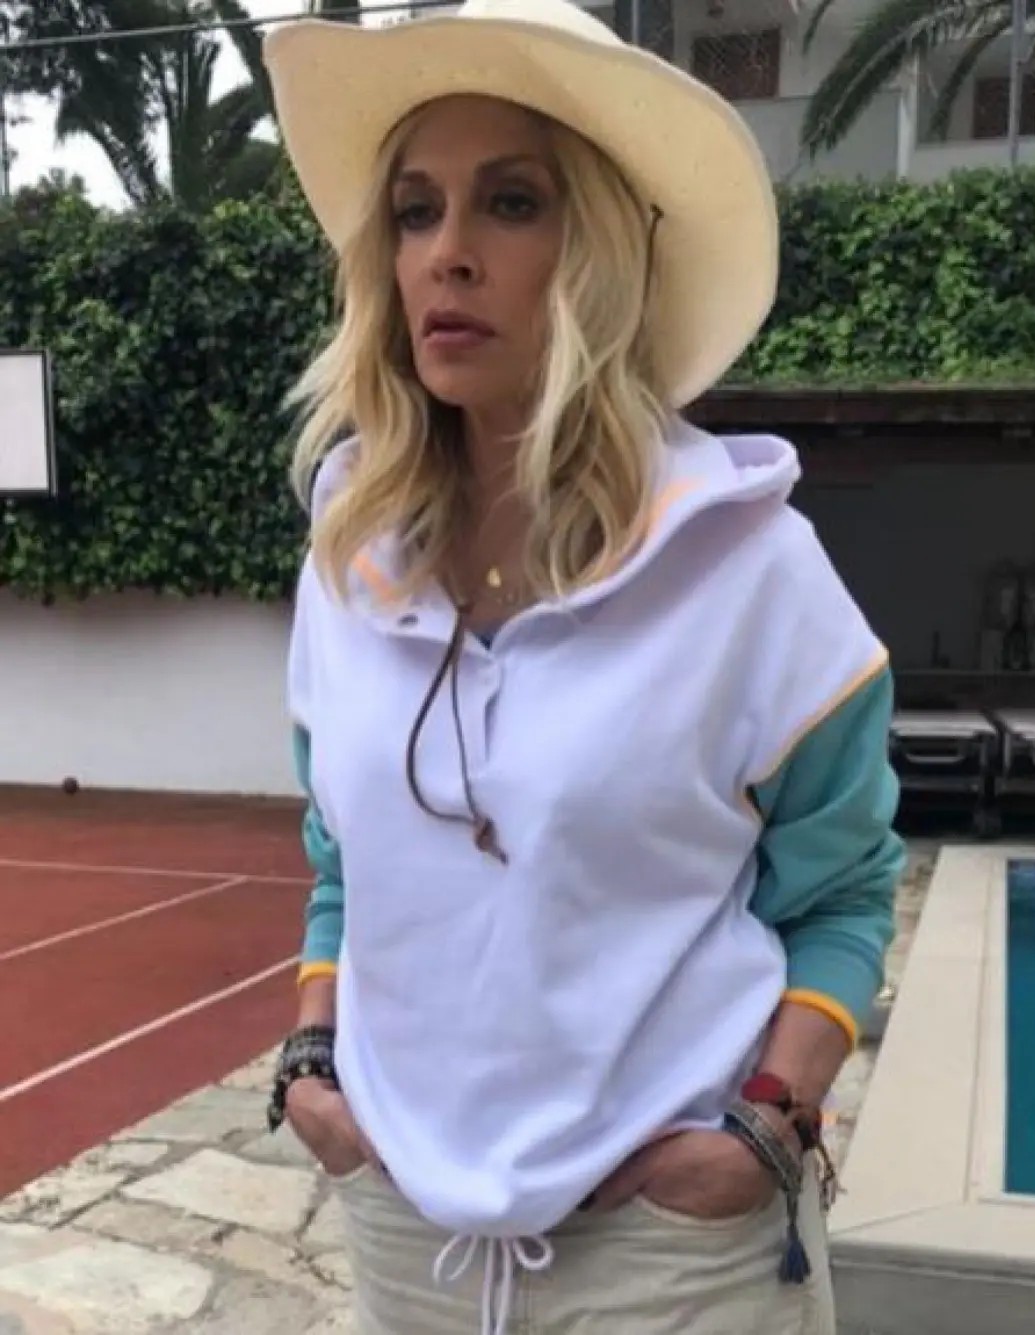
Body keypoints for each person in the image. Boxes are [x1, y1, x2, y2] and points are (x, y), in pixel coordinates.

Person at [263, 2, 905, 1332]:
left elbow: (845, 894)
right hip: (406, 1240)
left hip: (671, 1263)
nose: (447, 253)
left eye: (511, 203)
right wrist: (316, 1064)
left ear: (601, 250)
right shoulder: (345, 562)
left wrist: (763, 1128)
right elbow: (341, 866)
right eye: (415, 211)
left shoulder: (754, 572)